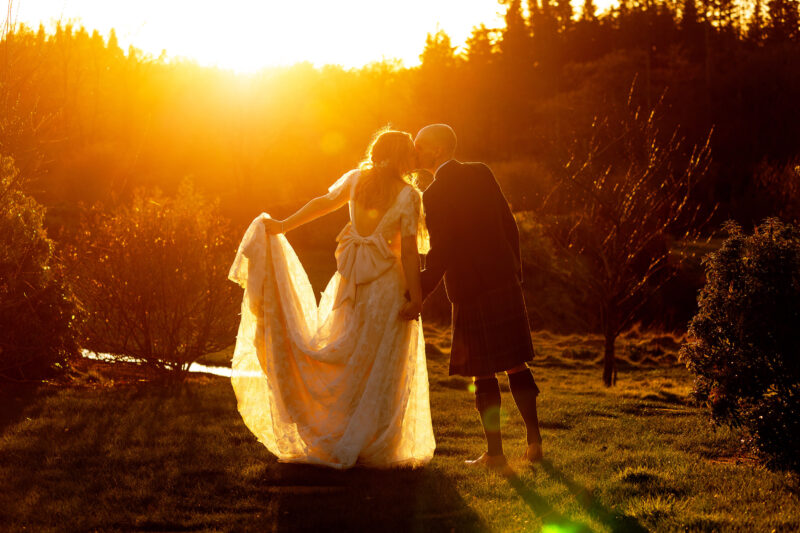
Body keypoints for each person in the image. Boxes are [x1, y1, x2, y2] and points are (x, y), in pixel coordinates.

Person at [227, 129, 434, 469]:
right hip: (385, 286)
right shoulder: (409, 195)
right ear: (402, 158)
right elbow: (409, 252)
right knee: (382, 365)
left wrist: (284, 224)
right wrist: (416, 296)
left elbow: (322, 204)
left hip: (350, 282)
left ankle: (342, 430)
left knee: (349, 358)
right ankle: (370, 441)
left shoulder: (355, 181)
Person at [413, 123, 542, 472]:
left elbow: (443, 248)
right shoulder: (481, 172)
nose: (415, 151)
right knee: (516, 362)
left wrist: (420, 289)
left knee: (482, 373)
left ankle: (496, 455)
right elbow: (508, 222)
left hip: (470, 288)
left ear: (438, 150)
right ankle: (534, 441)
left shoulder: (435, 193)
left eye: (420, 145)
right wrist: (515, 272)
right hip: (503, 279)